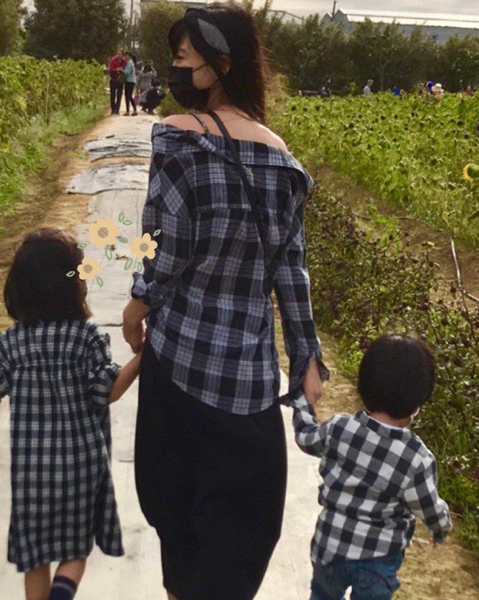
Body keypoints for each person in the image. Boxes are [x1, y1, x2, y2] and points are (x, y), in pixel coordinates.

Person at [123, 6, 327, 600]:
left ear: (220, 66)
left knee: (176, 518)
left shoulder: (178, 136)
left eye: (184, 59)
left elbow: (164, 245)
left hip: (179, 366)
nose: (176, 68)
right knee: (236, 538)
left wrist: (139, 301)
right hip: (249, 382)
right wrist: (306, 354)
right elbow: (290, 269)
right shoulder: (282, 158)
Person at [0, 228, 142, 600]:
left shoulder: (11, 344)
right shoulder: (86, 339)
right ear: (73, 287)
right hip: (82, 470)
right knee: (74, 551)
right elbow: (108, 390)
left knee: (35, 559)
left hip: (32, 476)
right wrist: (143, 356)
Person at [287, 334, 452, 600]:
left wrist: (302, 402)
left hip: (329, 548)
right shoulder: (416, 458)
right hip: (377, 561)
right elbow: (428, 506)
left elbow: (306, 437)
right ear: (417, 406)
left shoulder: (339, 429)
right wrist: (440, 528)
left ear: (363, 386)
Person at [107, 48, 126, 115]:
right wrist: (116, 69)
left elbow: (125, 69)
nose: (119, 55)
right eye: (118, 54)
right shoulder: (113, 60)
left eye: (120, 54)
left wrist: (121, 71)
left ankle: (117, 110)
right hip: (113, 80)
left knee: (119, 95)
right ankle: (113, 109)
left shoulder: (124, 61)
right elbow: (110, 69)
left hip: (120, 80)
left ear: (123, 55)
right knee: (112, 95)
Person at [122, 51, 138, 116]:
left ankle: (129, 111)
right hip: (130, 81)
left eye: (127, 56)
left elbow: (127, 72)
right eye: (125, 56)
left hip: (130, 81)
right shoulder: (129, 63)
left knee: (128, 96)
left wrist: (121, 70)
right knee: (128, 96)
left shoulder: (129, 63)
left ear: (130, 56)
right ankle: (132, 110)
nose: (125, 57)